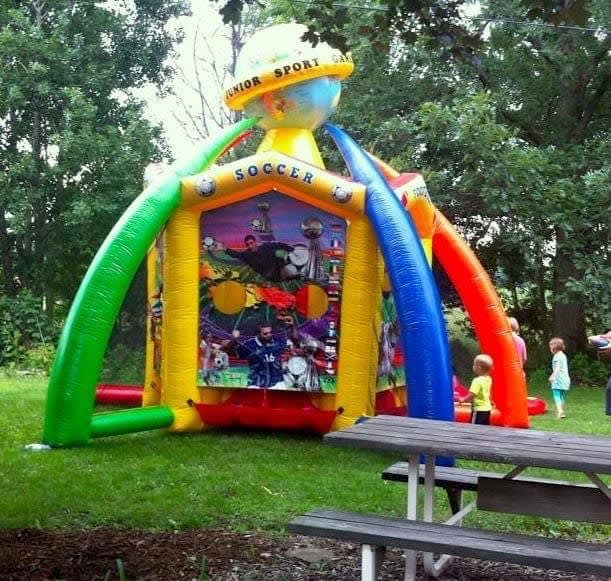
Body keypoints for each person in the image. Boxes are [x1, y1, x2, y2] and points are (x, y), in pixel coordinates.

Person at [232, 318, 300, 388]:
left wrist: (292, 326)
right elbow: (232, 351)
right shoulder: (250, 345)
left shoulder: (278, 342)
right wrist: (234, 339)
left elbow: (296, 342)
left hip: (277, 384)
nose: (269, 335)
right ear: (258, 334)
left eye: (270, 332)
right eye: (265, 334)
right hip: (256, 384)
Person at [226, 235, 295, 282]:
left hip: (278, 267)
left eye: (251, 243)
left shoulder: (265, 246)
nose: (250, 246)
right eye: (248, 245)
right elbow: (236, 254)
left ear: (255, 242)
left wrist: (292, 249)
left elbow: (279, 245)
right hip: (270, 275)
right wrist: (225, 249)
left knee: (283, 257)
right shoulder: (247, 254)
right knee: (288, 271)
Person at [459, 354, 494, 425]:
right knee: (484, 426)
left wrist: (463, 399)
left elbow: (472, 394)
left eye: (474, 365)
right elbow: (489, 392)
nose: (473, 366)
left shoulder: (477, 381)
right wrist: (491, 401)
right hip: (487, 409)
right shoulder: (488, 379)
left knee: (474, 427)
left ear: (479, 367)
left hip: (478, 409)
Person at [548, 336, 571, 419]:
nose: (550, 348)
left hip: (558, 379)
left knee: (556, 395)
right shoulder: (563, 355)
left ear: (554, 347)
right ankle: (562, 411)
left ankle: (560, 411)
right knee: (561, 396)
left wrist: (553, 376)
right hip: (565, 378)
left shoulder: (557, 356)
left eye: (550, 346)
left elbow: (557, 368)